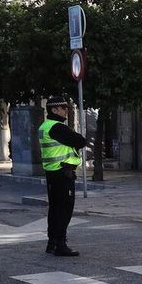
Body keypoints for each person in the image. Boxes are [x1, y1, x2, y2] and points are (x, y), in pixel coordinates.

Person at [38, 98, 87, 256]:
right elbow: (80, 141)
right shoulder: (57, 127)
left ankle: (52, 243)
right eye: (63, 108)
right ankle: (60, 244)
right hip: (62, 172)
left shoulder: (45, 126)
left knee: (55, 208)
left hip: (52, 172)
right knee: (64, 209)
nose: (66, 110)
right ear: (54, 110)